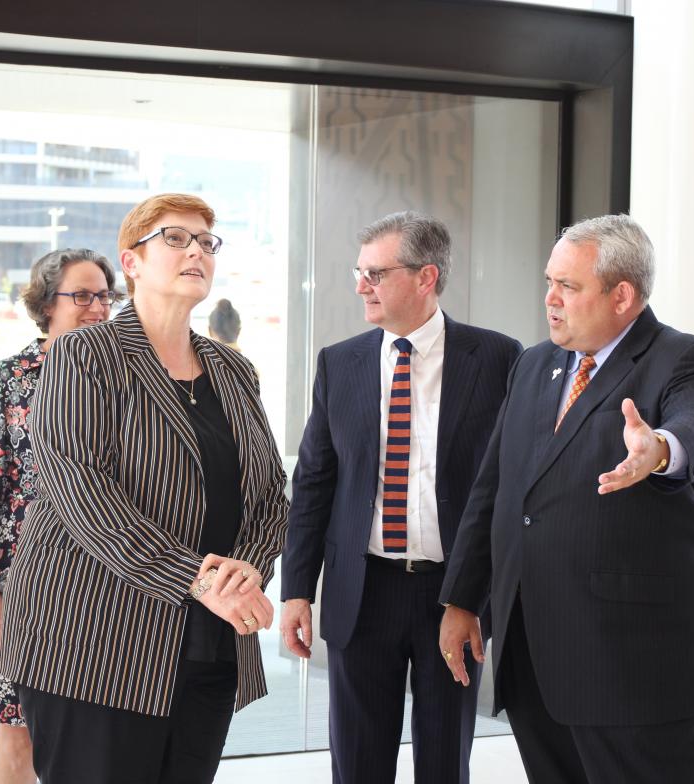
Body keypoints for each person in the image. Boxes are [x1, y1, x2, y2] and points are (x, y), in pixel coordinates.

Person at [0, 193, 289, 784]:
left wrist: (249, 569)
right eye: (177, 238)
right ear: (130, 263)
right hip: (94, 641)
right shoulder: (85, 354)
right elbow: (82, 492)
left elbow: (270, 494)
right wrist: (200, 579)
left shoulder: (234, 369)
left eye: (207, 241)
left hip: (209, 641)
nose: (197, 251)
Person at [439, 214, 694, 784]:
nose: (549, 299)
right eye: (549, 282)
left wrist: (659, 450)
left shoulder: (691, 359)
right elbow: (498, 491)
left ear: (622, 295)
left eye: (568, 287)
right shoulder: (534, 364)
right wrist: (462, 600)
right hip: (538, 662)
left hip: (643, 672)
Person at [279, 211, 522, 784]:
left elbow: (507, 486)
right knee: (358, 763)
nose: (362, 285)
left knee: (444, 761)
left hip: (452, 594)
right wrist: (296, 591)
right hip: (362, 590)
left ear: (425, 276)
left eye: (376, 273)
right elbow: (314, 481)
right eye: (359, 272)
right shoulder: (341, 363)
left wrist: (478, 595)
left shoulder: (497, 359)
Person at [0, 248, 121, 784]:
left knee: (96, 741)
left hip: (106, 583)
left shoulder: (126, 382)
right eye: (83, 295)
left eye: (105, 296)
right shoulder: (4, 380)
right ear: (47, 303)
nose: (98, 307)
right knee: (19, 733)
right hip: (17, 581)